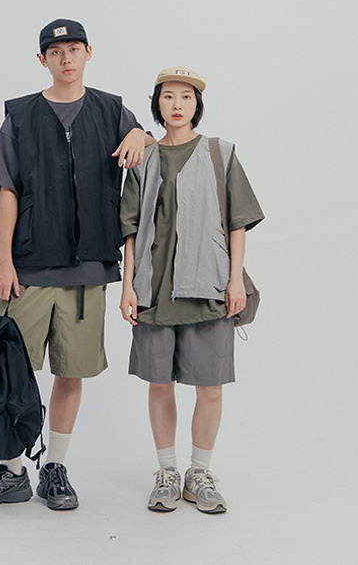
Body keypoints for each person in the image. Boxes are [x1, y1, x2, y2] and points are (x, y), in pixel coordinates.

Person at [0, 18, 153, 512]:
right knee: (10, 371)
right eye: (56, 51)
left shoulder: (111, 110)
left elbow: (153, 144)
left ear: (89, 53)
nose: (67, 58)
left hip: (88, 271)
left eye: (75, 49)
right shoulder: (21, 116)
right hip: (28, 269)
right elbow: (7, 190)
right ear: (42, 60)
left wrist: (141, 133)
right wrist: (3, 261)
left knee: (71, 373)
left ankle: (54, 469)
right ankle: (12, 472)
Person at [119, 66, 264, 514]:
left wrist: (235, 279)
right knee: (160, 384)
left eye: (186, 96)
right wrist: (127, 286)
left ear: (197, 104)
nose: (177, 104)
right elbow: (130, 229)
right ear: (157, 104)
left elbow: (238, 221)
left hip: (209, 288)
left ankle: (199, 474)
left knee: (211, 388)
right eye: (168, 96)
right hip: (153, 290)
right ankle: (167, 472)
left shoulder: (220, 152)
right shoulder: (142, 159)